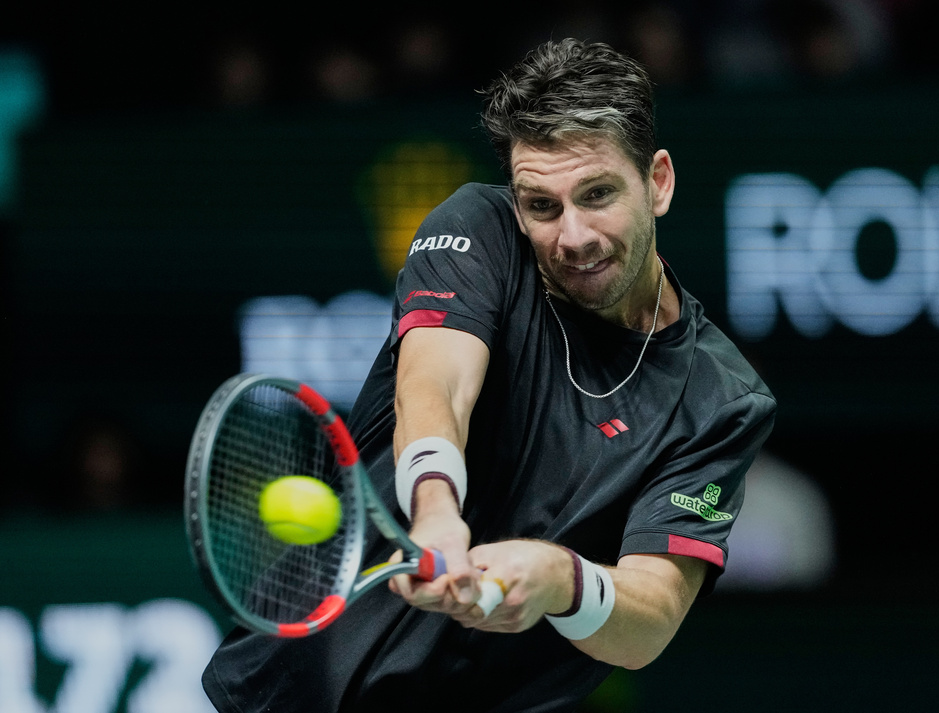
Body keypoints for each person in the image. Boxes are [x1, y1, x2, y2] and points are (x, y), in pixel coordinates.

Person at [202, 37, 777, 712]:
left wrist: (561, 578)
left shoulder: (720, 399)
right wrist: (436, 507)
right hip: (298, 691)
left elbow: (649, 617)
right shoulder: (479, 231)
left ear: (658, 182)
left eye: (597, 194)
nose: (574, 235)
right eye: (542, 205)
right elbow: (436, 381)